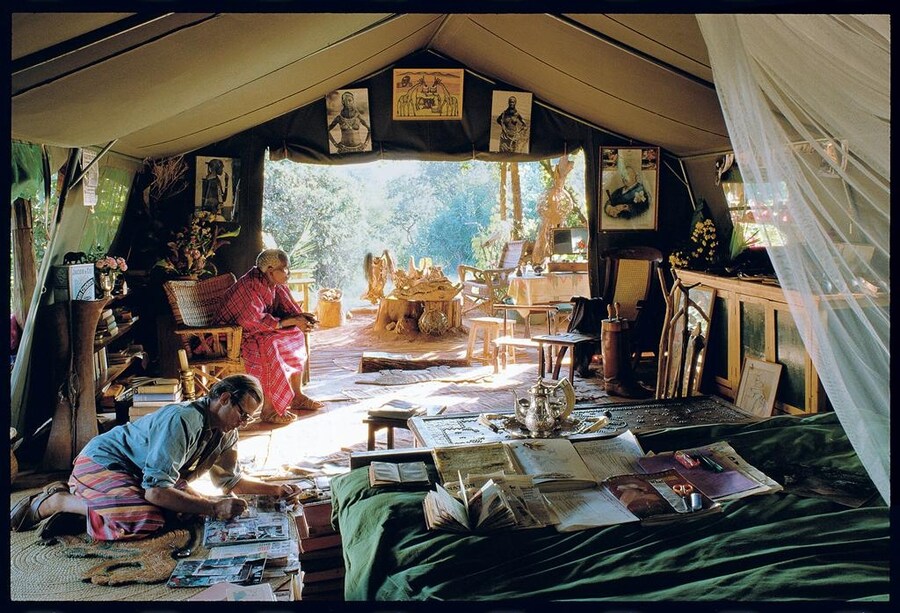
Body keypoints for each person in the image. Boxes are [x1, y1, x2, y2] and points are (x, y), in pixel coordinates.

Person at [9, 374, 306, 541]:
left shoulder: (226, 432)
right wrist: (213, 508)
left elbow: (230, 480)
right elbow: (155, 490)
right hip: (103, 462)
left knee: (181, 513)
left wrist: (276, 489)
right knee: (146, 519)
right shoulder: (184, 420)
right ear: (225, 398)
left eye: (249, 418)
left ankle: (95, 510)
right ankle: (57, 501)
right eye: (243, 414)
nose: (244, 422)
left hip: (141, 475)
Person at [216, 248, 324, 424]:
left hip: (255, 329)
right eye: (284, 269)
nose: (288, 273)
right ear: (270, 270)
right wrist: (290, 321)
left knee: (295, 334)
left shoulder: (274, 283)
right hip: (233, 335)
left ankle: (296, 395)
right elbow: (250, 319)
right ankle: (269, 408)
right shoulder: (251, 285)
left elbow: (288, 308)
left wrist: (301, 318)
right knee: (268, 344)